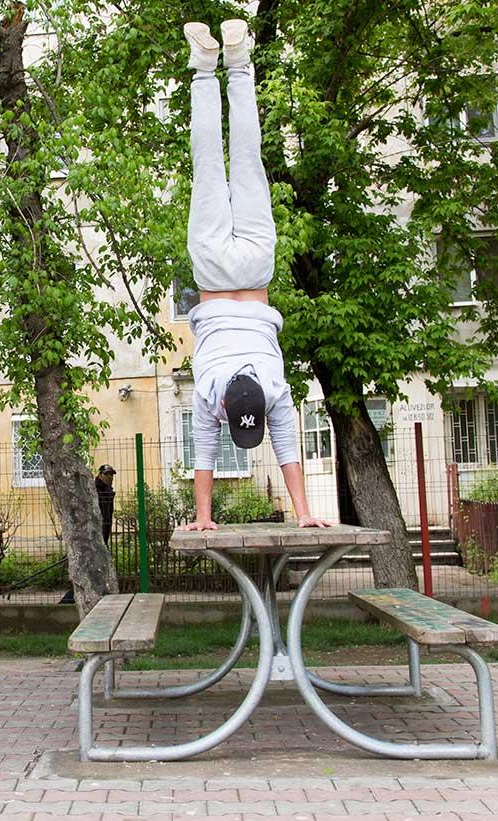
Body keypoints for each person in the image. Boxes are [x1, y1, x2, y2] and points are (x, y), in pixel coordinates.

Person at [176, 19, 330, 532]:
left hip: (256, 270)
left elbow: (286, 450)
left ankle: (238, 62)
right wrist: (204, 516)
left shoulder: (274, 389)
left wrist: (305, 513)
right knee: (207, 165)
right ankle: (205, 68)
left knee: (246, 162)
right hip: (213, 273)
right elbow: (205, 456)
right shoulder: (209, 391)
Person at [94, 465, 116, 543]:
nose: (110, 477)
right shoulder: (94, 489)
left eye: (111, 474)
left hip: (107, 522)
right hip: (97, 524)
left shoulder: (108, 489)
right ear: (100, 475)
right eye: (106, 474)